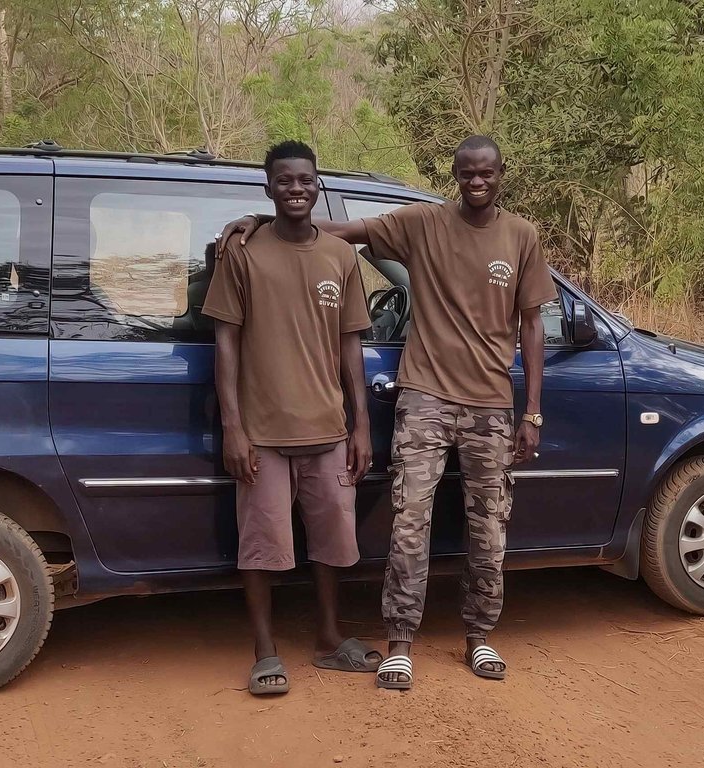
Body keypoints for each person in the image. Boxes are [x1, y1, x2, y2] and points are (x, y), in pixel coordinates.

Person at [218, 135, 556, 688]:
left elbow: (533, 324)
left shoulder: (522, 236)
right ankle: (400, 642)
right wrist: (262, 218)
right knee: (409, 523)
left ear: (500, 175)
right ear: (454, 173)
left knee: (490, 527)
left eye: (486, 173)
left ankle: (480, 637)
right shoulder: (424, 223)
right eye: (466, 172)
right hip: (422, 394)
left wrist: (533, 410)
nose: (476, 181)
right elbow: (335, 230)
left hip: (492, 402)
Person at [201, 140, 383, 696]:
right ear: (269, 187)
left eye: (305, 180)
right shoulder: (245, 251)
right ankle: (264, 650)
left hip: (327, 430)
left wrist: (361, 424)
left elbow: (351, 346)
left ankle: (329, 639)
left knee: (332, 541)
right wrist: (234, 426)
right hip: (262, 434)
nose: (296, 189)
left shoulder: (339, 256)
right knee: (261, 545)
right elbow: (225, 343)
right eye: (285, 181)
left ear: (317, 184)